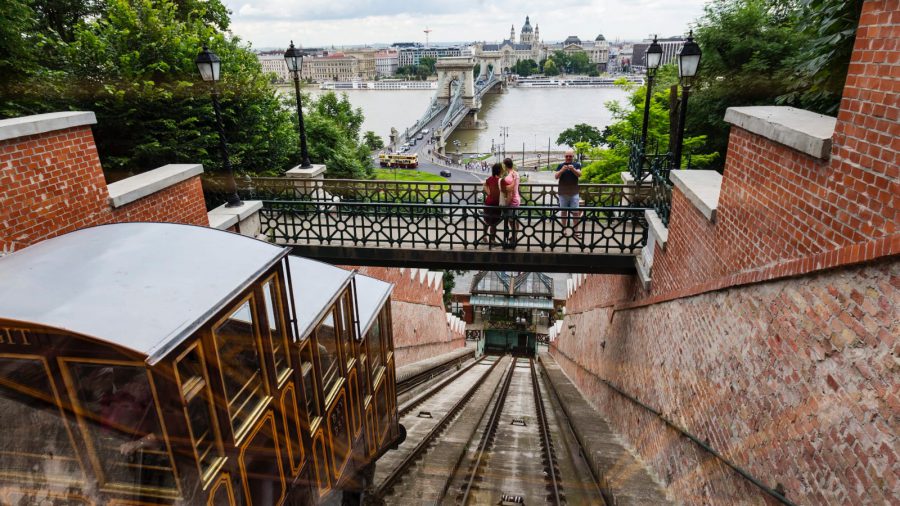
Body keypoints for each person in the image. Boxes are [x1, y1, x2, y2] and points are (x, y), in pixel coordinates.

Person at [555, 149, 582, 236]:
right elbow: (556, 176)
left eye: (570, 156)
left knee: (576, 213)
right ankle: (564, 230)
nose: (568, 158)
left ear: (573, 157)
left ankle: (576, 231)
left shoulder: (577, 165)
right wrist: (562, 170)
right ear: (564, 157)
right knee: (563, 212)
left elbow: (579, 174)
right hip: (563, 192)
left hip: (574, 192)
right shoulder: (560, 165)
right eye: (567, 156)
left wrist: (573, 169)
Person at [480, 163, 503, 248]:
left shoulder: (490, 178)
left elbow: (484, 185)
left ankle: (484, 238)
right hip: (496, 203)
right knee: (494, 223)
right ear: (500, 170)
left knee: (486, 220)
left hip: (488, 202)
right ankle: (492, 240)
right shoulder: (501, 180)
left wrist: (489, 193)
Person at [500, 158, 521, 249]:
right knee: (515, 220)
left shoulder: (509, 177)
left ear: (505, 165)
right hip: (517, 199)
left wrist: (506, 204)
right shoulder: (516, 173)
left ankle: (514, 240)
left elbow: (510, 191)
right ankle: (514, 237)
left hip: (512, 201)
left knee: (511, 222)